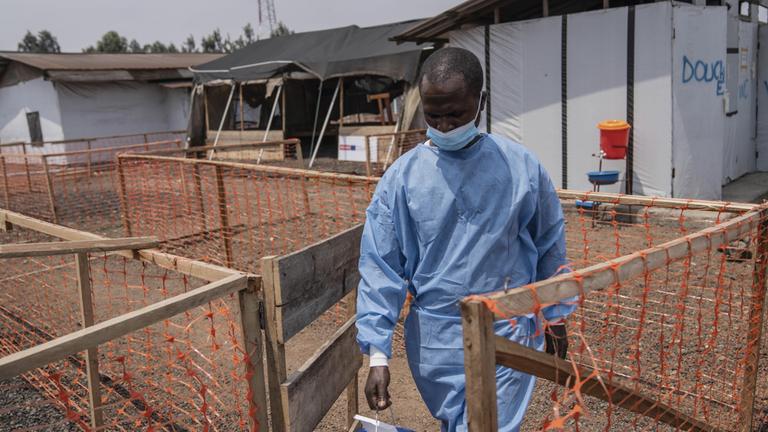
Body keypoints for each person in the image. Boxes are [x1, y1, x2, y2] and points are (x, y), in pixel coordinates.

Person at [355, 47, 576, 432]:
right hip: (435, 344)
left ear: (481, 102)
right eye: (433, 114)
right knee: (457, 424)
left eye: (454, 113)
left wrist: (555, 316)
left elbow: (549, 245)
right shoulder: (402, 179)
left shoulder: (520, 168)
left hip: (507, 335)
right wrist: (377, 355)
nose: (442, 125)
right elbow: (381, 267)